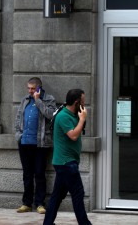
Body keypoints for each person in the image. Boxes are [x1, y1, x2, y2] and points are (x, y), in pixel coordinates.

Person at [43, 88, 92, 225]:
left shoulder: (72, 113)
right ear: (76, 102)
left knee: (57, 196)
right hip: (66, 163)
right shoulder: (64, 116)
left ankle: (47, 223)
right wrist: (82, 120)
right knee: (78, 194)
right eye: (83, 101)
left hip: (66, 162)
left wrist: (80, 118)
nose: (84, 104)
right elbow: (74, 135)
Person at [14, 77, 56, 214]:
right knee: (27, 174)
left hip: (40, 144)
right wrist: (18, 136)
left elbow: (50, 115)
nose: (30, 91)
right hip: (24, 143)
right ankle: (26, 203)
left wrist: (38, 101)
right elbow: (19, 118)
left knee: (39, 174)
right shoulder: (25, 100)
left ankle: (39, 203)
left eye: (33, 88)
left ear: (39, 88)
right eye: (28, 88)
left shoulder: (49, 99)